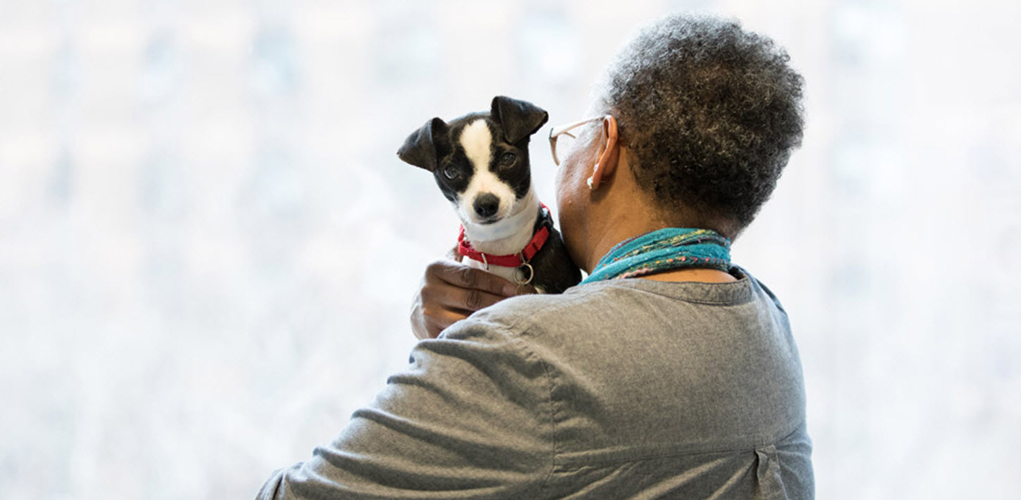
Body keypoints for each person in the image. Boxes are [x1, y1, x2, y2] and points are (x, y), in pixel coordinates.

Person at [257, 13, 811, 499]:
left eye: (570, 138)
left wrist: (461, 357)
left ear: (603, 152)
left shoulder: (522, 353)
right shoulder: (772, 327)